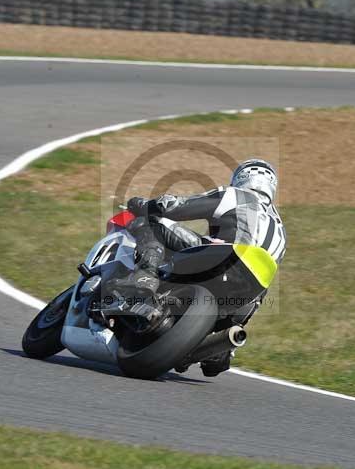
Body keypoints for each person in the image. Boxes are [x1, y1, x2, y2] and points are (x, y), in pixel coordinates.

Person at [111, 158, 286, 376]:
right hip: (249, 289)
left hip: (225, 257)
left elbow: (173, 206)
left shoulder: (236, 195)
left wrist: (142, 205)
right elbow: (263, 287)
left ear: (241, 178)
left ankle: (143, 278)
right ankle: (220, 347)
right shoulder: (280, 230)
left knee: (149, 223)